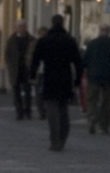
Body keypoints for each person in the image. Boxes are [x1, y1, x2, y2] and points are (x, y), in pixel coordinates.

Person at [30, 14, 83, 151]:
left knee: (52, 111)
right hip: (65, 78)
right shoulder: (70, 40)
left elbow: (35, 59)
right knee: (64, 109)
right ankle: (63, 137)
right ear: (63, 23)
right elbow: (78, 62)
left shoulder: (45, 40)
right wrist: (77, 80)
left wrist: (32, 75)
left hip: (50, 78)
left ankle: (55, 140)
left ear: (52, 24)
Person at [83, 24, 110, 134]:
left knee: (92, 99)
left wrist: (83, 71)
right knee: (106, 102)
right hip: (108, 77)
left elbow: (85, 59)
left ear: (99, 31)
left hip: (93, 76)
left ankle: (92, 117)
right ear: (109, 32)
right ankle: (104, 125)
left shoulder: (92, 44)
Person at [4, 20, 35, 120]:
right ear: (16, 28)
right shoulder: (11, 40)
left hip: (27, 70)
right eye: (20, 26)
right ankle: (19, 112)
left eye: (24, 26)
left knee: (27, 91)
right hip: (15, 70)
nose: (22, 28)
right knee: (16, 92)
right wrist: (10, 65)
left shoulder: (31, 39)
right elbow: (7, 54)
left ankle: (28, 111)